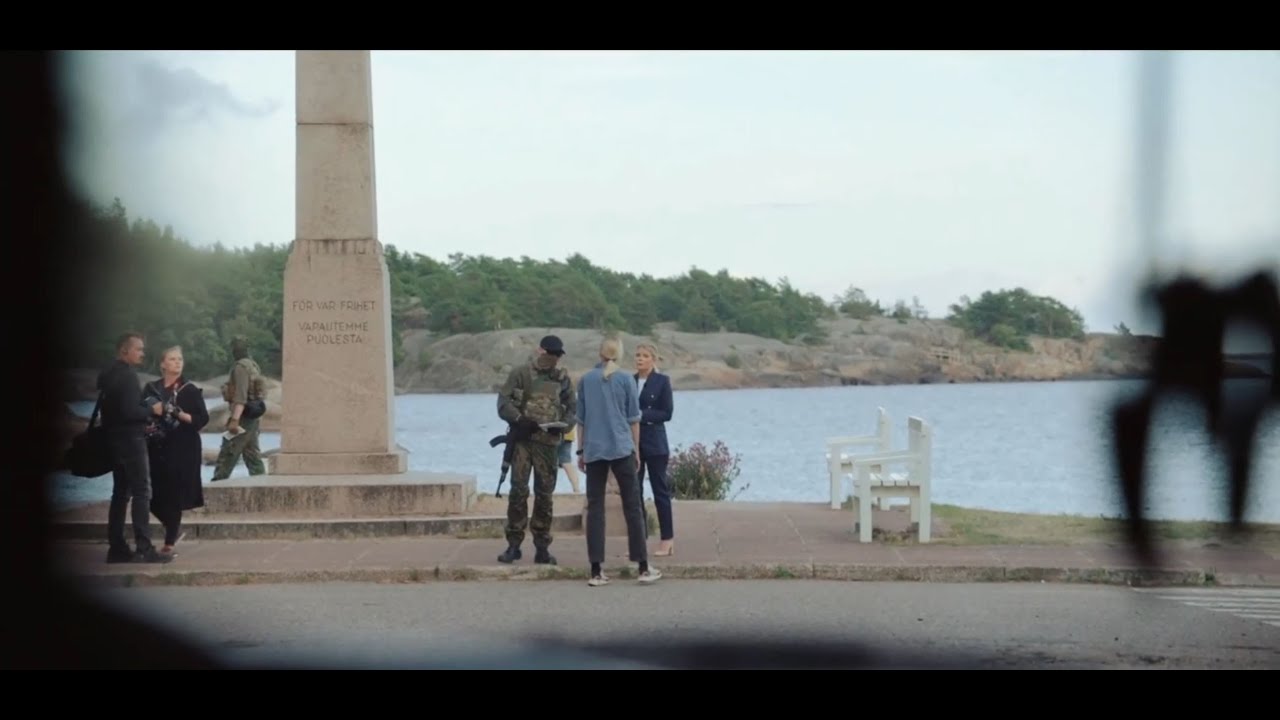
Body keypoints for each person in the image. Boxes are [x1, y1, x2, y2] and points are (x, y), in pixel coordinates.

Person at [576, 337, 661, 586]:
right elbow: (633, 419)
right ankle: (642, 566)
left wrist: (581, 451)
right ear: (619, 355)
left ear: (600, 353)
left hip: (594, 449)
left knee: (595, 508)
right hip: (621, 447)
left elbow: (581, 419)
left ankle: (596, 570)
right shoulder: (625, 379)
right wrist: (636, 450)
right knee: (632, 507)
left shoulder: (586, 380)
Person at [495, 335, 578, 565]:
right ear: (539, 351)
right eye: (548, 354)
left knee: (544, 496)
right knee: (518, 492)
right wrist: (520, 419)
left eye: (556, 355)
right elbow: (503, 402)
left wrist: (563, 427)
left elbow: (573, 408)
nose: (551, 359)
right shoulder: (520, 374)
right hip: (523, 442)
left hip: (548, 445)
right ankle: (514, 545)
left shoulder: (562, 379)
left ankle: (542, 546)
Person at [97, 332, 171, 564]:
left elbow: (114, 410)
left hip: (113, 440)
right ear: (124, 351)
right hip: (131, 440)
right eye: (138, 349)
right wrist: (152, 410)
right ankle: (144, 548)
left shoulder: (108, 374)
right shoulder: (128, 376)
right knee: (141, 492)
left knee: (120, 494)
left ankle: (117, 547)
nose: (142, 353)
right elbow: (130, 412)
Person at [142, 346, 209, 557]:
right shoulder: (151, 388)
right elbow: (141, 412)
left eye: (180, 359)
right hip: (156, 445)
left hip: (183, 447)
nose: (178, 363)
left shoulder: (189, 389)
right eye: (172, 359)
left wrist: (180, 415)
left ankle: (170, 540)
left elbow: (202, 420)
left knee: (174, 494)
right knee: (150, 494)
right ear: (162, 364)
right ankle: (174, 528)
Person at [634, 342, 675, 556]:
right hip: (633, 443)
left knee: (660, 491)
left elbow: (667, 413)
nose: (640, 359)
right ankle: (638, 541)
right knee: (634, 492)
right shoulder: (628, 381)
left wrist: (641, 415)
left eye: (645, 355)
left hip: (655, 442)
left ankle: (667, 539)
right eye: (637, 355)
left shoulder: (661, 381)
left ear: (653, 359)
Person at [211, 335, 266, 481]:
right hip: (253, 419)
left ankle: (215, 490)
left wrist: (234, 420)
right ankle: (260, 487)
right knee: (253, 457)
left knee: (227, 455)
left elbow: (240, 397)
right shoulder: (253, 365)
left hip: (243, 417)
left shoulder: (240, 368)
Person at [558, 423, 582, 493]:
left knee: (549, 462)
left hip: (555, 433)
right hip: (568, 434)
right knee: (566, 462)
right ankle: (576, 488)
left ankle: (547, 489)